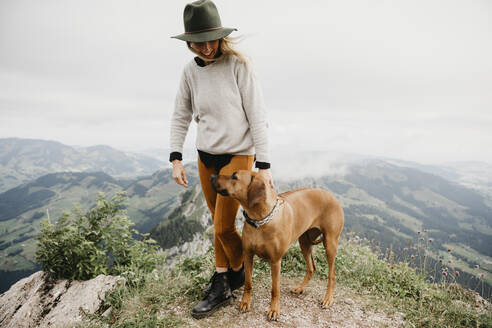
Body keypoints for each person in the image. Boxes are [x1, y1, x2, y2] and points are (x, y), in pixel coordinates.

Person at [169, 0, 274, 319]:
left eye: (211, 39)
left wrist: (264, 165)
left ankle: (227, 278)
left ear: (221, 36)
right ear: (189, 42)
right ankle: (230, 275)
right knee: (220, 225)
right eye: (198, 42)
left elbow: (258, 116)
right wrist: (176, 157)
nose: (205, 47)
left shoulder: (239, 65)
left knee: (222, 225)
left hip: (238, 156)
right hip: (205, 158)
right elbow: (180, 115)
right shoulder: (189, 71)